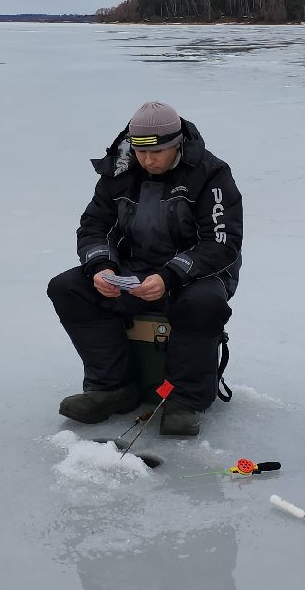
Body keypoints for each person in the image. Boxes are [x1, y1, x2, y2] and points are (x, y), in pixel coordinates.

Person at [47, 101, 242, 437]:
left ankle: (185, 400)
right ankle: (111, 387)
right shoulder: (119, 171)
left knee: (203, 303)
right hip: (133, 268)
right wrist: (101, 267)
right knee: (67, 287)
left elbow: (221, 243)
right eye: (140, 152)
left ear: (177, 143)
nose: (148, 160)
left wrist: (170, 276)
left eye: (158, 152)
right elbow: (94, 225)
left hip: (193, 273)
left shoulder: (210, 174)